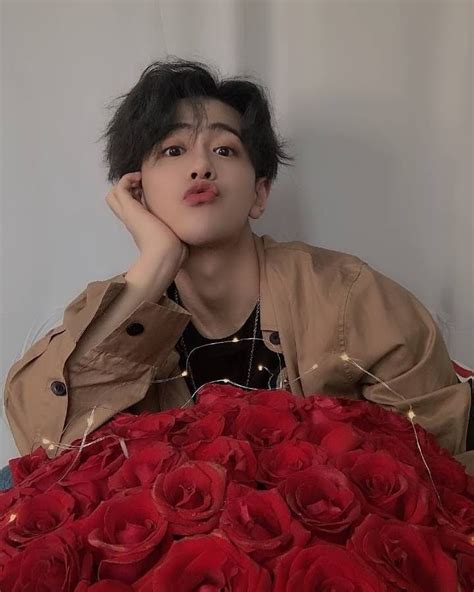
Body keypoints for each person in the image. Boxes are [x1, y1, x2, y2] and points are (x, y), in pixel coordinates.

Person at [3, 57, 473, 475]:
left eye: (224, 150)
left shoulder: (348, 295)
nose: (201, 166)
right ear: (136, 192)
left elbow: (435, 459)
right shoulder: (115, 305)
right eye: (173, 150)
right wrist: (155, 264)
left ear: (259, 193)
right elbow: (45, 449)